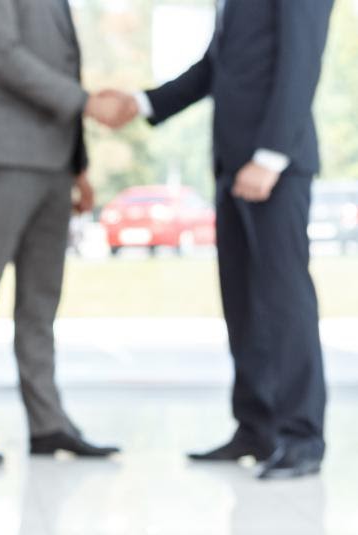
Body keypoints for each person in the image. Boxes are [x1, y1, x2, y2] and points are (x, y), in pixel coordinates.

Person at [111, 0, 335, 479]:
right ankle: (256, 428)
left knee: (284, 299)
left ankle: (302, 436)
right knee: (244, 300)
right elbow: (219, 65)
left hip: (274, 164)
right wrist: (146, 102)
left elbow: (302, 59)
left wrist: (271, 156)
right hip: (234, 163)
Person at [0, 0, 128, 464]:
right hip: (4, 157)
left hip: (56, 166)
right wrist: (87, 104)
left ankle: (47, 425)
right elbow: (3, 57)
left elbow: (64, 71)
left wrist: (79, 166)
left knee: (41, 303)